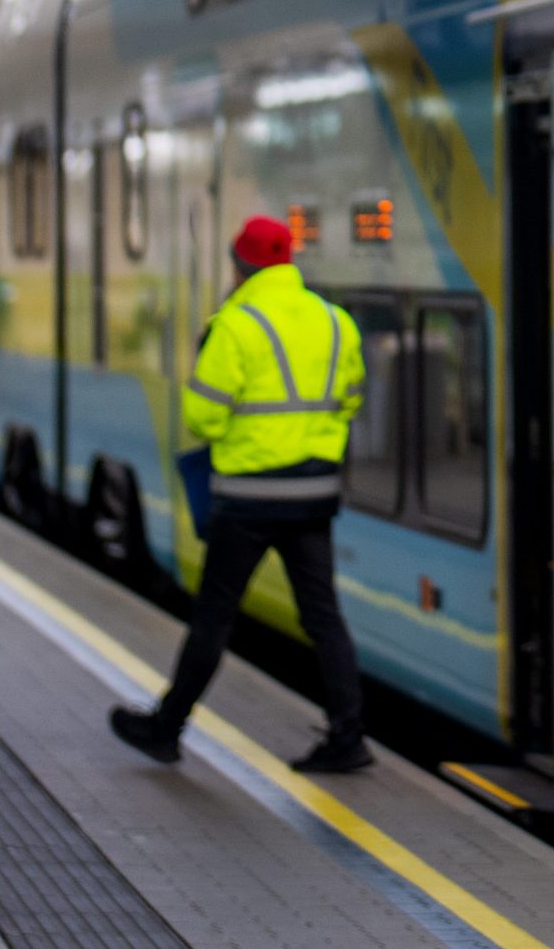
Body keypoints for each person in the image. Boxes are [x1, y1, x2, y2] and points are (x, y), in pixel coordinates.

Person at [109, 216, 372, 773]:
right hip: (313, 493)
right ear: (289, 262)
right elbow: (350, 399)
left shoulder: (234, 326)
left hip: (248, 498)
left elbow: (203, 417)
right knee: (323, 616)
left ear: (240, 265)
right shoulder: (335, 321)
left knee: (215, 615)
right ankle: (349, 738)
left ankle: (166, 727)